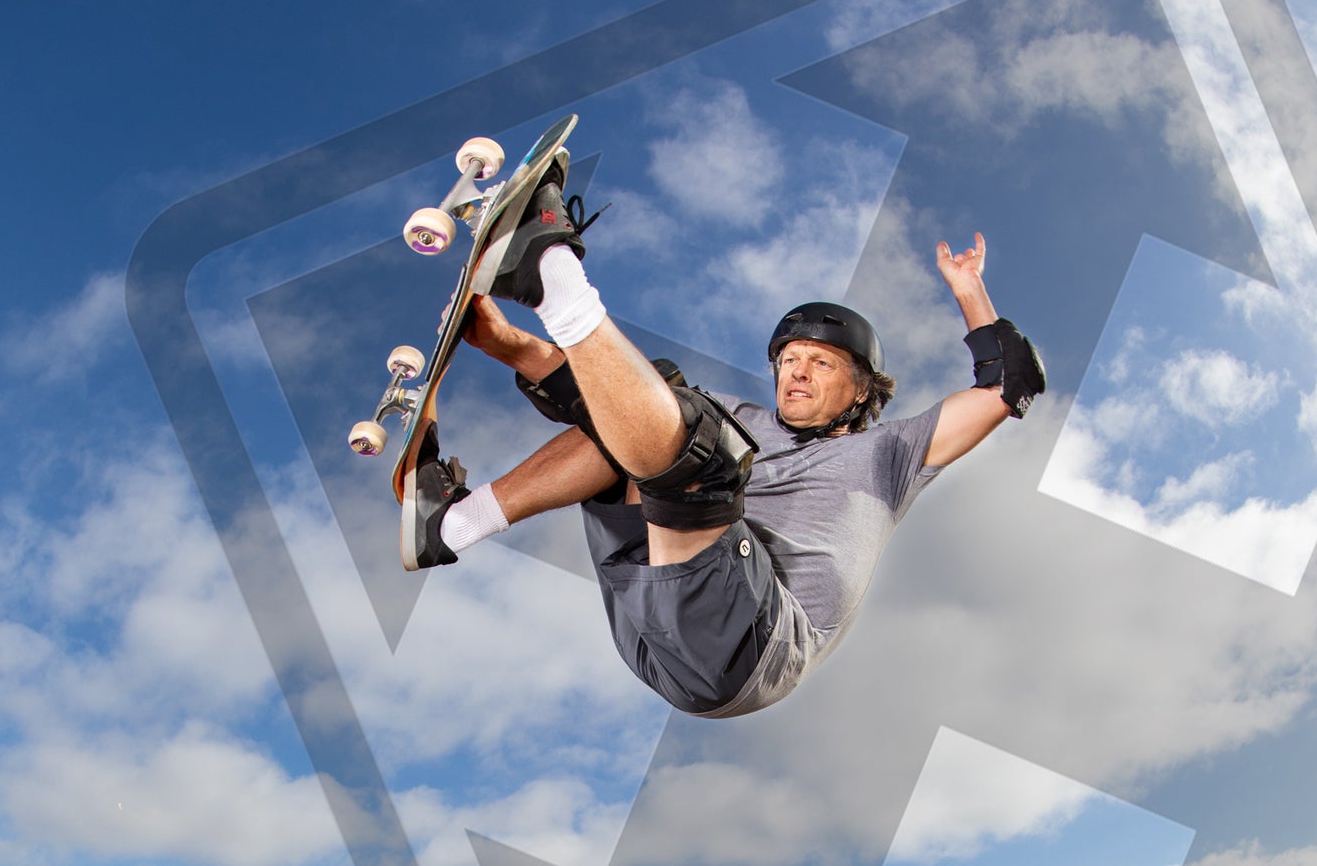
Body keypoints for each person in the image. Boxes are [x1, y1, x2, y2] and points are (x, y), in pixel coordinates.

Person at [408, 153, 1044, 718]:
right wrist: (505, 344)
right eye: (789, 360)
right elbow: (619, 400)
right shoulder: (741, 416)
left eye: (821, 363)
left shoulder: (891, 453)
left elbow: (1008, 384)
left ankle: (550, 271)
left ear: (862, 390)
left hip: (752, 647)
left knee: (699, 446)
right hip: (646, 603)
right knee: (651, 410)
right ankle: (453, 524)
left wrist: (970, 291)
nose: (796, 373)